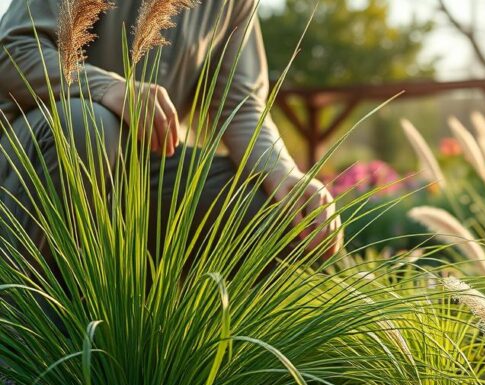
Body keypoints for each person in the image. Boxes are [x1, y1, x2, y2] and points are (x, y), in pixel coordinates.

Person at [0, 0, 340, 256]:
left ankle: (162, 332)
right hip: (40, 154)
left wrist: (282, 171)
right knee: (87, 126)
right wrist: (108, 89)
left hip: (150, 165)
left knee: (275, 211)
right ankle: (26, 333)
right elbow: (14, 48)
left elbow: (240, 104)